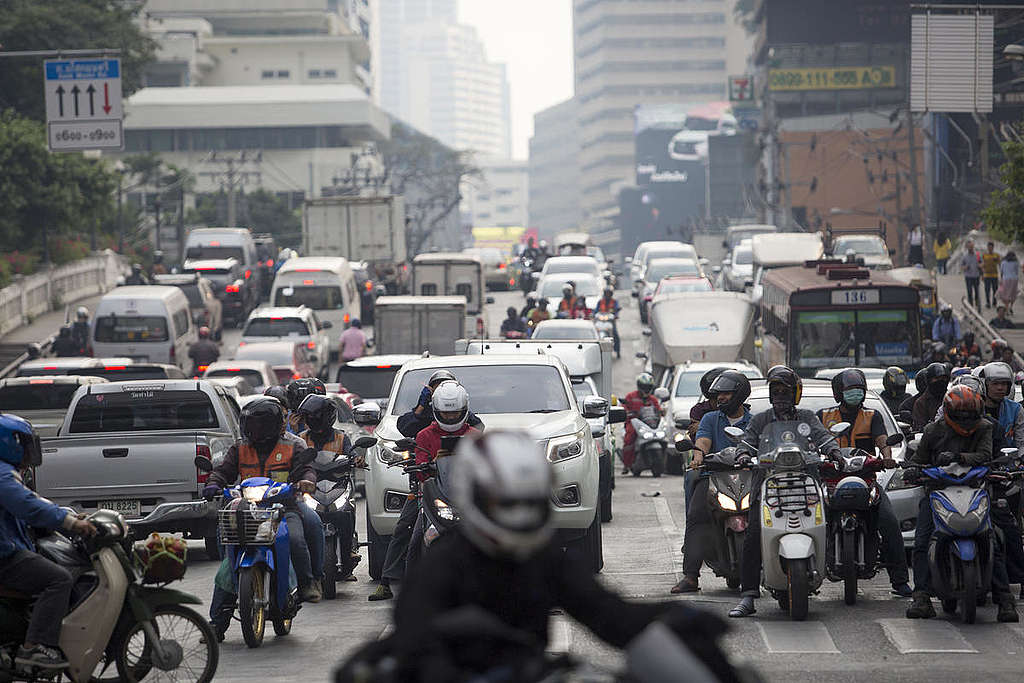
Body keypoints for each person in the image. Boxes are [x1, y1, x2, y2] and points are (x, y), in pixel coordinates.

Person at [369, 430, 740, 683]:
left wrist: (673, 621)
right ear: (475, 496)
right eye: (506, 502)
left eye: (528, 500)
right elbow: (415, 646)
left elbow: (606, 614)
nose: (519, 513)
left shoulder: (543, 559)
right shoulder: (441, 566)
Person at [204, 399, 321, 640]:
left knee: (296, 539)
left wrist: (306, 480)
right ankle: (216, 625)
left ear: (276, 426)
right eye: (251, 425)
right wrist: (214, 483)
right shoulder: (239, 448)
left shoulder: (293, 445)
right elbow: (223, 470)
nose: (255, 431)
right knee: (227, 566)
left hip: (283, 508)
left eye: (261, 425)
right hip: (246, 511)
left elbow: (306, 468)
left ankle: (308, 583)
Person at [728, 365, 838, 617]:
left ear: (795, 394)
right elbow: (746, 441)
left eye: (785, 392)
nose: (780, 397)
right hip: (769, 484)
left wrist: (832, 451)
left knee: (828, 521)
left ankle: (830, 565)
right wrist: (743, 454)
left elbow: (823, 437)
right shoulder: (760, 419)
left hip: (805, 482)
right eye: (775, 391)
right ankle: (748, 596)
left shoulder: (808, 418)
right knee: (753, 533)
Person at [904, 386, 1018, 622]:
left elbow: (985, 455)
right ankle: (922, 597)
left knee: (993, 537)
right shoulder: (933, 430)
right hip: (939, 492)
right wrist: (913, 470)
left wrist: (959, 458)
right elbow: (918, 459)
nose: (966, 421)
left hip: (976, 491)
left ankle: (1005, 600)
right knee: (923, 540)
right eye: (961, 416)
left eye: (971, 416)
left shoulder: (986, 427)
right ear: (948, 413)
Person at [374, 370, 483, 601]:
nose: (451, 418)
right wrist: (427, 467)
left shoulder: (474, 431)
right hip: (430, 491)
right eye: (446, 413)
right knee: (408, 531)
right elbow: (416, 452)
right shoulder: (423, 431)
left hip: (467, 495)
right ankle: (391, 581)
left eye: (455, 413)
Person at [0, 414, 97, 670]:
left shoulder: (8, 472)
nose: (30, 452)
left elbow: (34, 502)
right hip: (4, 555)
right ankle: (35, 647)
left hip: (9, 546)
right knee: (59, 579)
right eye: (26, 445)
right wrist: (71, 524)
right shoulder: (2, 475)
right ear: (10, 443)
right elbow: (27, 505)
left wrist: (67, 515)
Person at [816, 369, 912, 596]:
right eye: (850, 391)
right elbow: (813, 443)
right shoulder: (823, 415)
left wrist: (887, 458)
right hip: (831, 479)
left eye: (859, 390)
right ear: (839, 393)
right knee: (812, 523)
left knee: (889, 522)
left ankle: (899, 581)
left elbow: (883, 442)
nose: (855, 395)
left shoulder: (873, 415)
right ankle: (806, 576)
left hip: (865, 479)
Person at [672, 370, 752, 594]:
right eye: (719, 394)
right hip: (713, 477)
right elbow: (703, 441)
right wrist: (698, 456)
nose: (721, 398)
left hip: (748, 478)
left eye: (726, 393)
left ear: (740, 394)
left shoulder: (754, 422)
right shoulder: (709, 418)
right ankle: (690, 576)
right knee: (697, 515)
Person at [296, 394, 362, 581]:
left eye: (315, 418)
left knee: (346, 512)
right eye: (309, 418)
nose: (312, 422)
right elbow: (293, 456)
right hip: (311, 486)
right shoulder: (301, 439)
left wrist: (356, 458)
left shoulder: (341, 437)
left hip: (337, 485)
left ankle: (349, 549)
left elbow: (351, 452)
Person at [621, 373, 661, 475]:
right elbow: (624, 407)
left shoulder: (653, 399)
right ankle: (627, 464)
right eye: (644, 387)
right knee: (629, 437)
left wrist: (662, 412)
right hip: (634, 422)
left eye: (648, 387)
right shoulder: (631, 396)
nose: (646, 389)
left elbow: (658, 410)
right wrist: (627, 412)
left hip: (650, 423)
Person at [912, 362, 951, 431]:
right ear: (929, 380)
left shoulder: (952, 398)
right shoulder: (921, 403)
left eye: (944, 378)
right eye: (937, 378)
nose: (941, 381)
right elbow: (919, 429)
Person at [596, 287, 621, 358]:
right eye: (606, 294)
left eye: (608, 294)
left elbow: (616, 310)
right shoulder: (600, 302)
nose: (607, 295)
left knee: (615, 334)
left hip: (610, 321)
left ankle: (617, 350)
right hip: (601, 320)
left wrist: (616, 315)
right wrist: (593, 315)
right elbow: (596, 310)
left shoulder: (614, 302)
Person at [961, 239, 982, 308]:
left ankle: (977, 303)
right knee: (969, 291)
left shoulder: (978, 255)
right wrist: (965, 267)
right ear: (967, 247)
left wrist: (980, 266)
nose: (970, 248)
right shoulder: (965, 256)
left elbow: (981, 263)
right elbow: (961, 266)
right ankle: (970, 305)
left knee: (977, 291)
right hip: (968, 276)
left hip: (976, 275)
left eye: (971, 247)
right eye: (969, 247)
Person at [999, 250, 1020, 315]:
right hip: (1014, 279)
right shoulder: (1016, 262)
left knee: (1006, 295)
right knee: (1013, 294)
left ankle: (1007, 309)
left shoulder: (1003, 262)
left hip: (1006, 279)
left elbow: (1001, 272)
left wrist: (1001, 280)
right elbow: (1017, 272)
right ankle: (1011, 307)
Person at [982, 242, 1002, 309]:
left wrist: (1001, 274)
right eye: (989, 247)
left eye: (991, 247)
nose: (990, 248)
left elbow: (1000, 264)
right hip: (987, 275)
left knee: (995, 290)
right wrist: (982, 274)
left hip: (994, 275)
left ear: (993, 247)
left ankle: (994, 302)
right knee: (987, 290)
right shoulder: (984, 255)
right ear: (987, 247)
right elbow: (983, 265)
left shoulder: (996, 255)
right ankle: (988, 302)